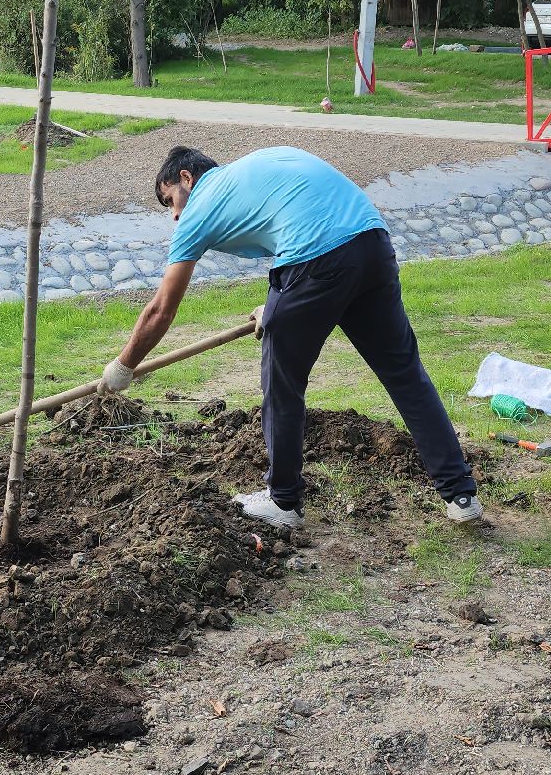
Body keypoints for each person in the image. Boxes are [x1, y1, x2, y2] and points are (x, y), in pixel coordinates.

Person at [100, 145, 482, 530]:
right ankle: (460, 494)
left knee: (282, 384)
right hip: (371, 243)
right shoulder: (259, 167)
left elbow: (161, 309)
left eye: (170, 200)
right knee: (405, 374)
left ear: (187, 178)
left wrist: (123, 366)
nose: (175, 214)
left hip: (316, 260)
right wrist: (278, 306)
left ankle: (283, 500)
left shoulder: (199, 208)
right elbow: (300, 221)